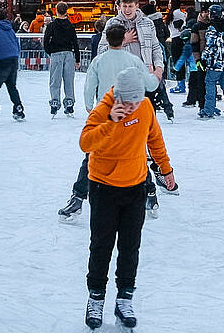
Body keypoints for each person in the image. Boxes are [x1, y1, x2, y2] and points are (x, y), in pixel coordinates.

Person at [79, 67, 173, 331]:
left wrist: (166, 169)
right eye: (128, 102)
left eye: (136, 101)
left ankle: (124, 298)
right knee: (101, 246)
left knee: (130, 247)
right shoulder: (103, 110)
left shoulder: (145, 107)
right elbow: (85, 143)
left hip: (135, 187)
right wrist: (110, 122)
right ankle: (96, 297)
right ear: (118, 96)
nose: (132, 107)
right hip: (104, 188)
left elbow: (155, 139)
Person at [59, 24, 154, 221]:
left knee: (92, 156)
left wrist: (89, 105)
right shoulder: (133, 61)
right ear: (124, 39)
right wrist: (155, 74)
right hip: (130, 113)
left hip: (106, 114)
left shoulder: (99, 60)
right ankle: (151, 194)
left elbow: (89, 85)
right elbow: (150, 84)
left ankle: (77, 198)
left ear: (106, 39)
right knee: (136, 153)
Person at [196, 6, 224, 120]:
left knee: (210, 84)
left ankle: (208, 109)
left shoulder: (212, 28)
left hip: (214, 62)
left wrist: (203, 58)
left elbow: (210, 46)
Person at [43, 5, 79, 118]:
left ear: (56, 11)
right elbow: (75, 43)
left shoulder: (51, 26)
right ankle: (69, 102)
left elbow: (45, 41)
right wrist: (77, 59)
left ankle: (55, 102)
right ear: (66, 12)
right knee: (69, 80)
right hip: (69, 54)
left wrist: (50, 51)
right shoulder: (70, 26)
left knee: (55, 80)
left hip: (56, 54)